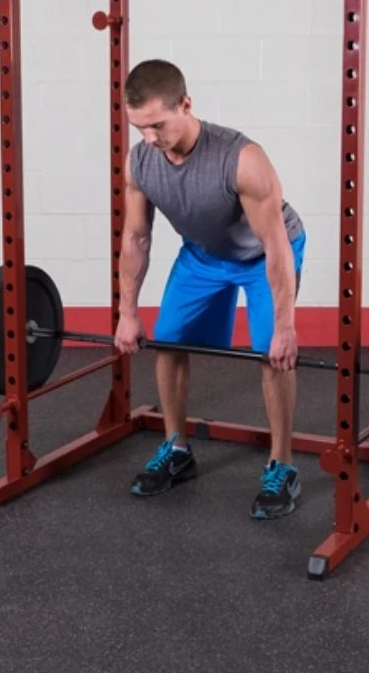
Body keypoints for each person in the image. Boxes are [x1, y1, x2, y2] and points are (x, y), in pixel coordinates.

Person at [113, 59, 307, 520]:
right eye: (139, 127)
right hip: (203, 255)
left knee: (272, 353)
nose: (149, 138)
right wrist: (127, 312)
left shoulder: (240, 159)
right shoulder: (141, 162)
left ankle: (282, 464)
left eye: (158, 125)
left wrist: (285, 327)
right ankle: (176, 449)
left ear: (186, 104)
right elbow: (135, 238)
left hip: (263, 256)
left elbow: (275, 245)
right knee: (168, 342)